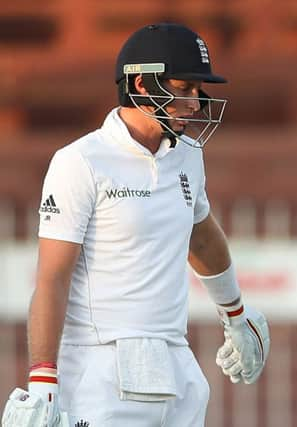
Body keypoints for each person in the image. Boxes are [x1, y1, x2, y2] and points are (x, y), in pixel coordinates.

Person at [2, 22, 269, 427]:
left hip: (176, 364)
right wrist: (43, 380)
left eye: (198, 91)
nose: (195, 104)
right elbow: (53, 278)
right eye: (183, 88)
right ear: (142, 84)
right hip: (99, 370)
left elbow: (200, 233)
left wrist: (235, 313)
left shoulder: (188, 154)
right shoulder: (81, 161)